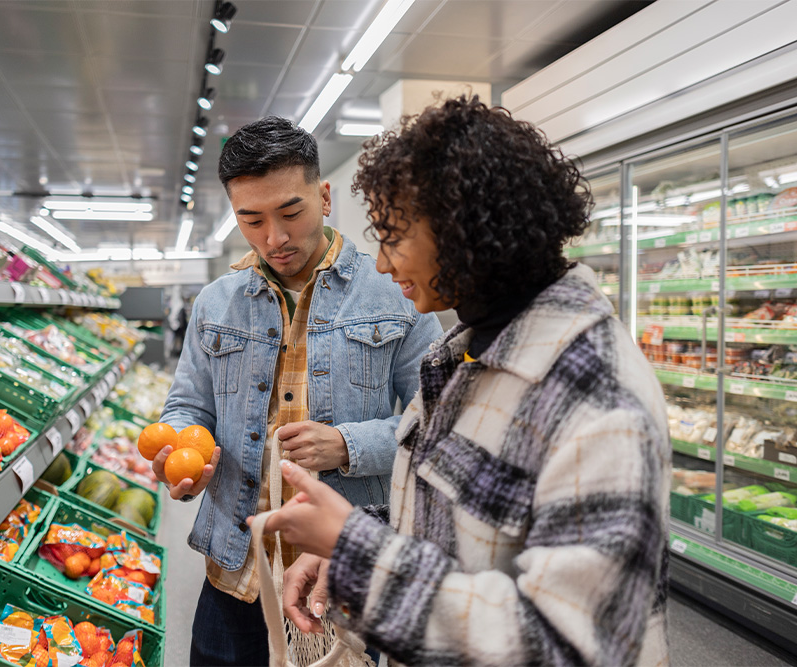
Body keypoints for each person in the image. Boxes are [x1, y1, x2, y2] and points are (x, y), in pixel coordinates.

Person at [260, 94, 671, 666]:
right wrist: (356, 554)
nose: (381, 263)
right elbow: (462, 536)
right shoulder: (464, 354)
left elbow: (570, 646)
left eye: (393, 236)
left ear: (465, 230)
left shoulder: (595, 395)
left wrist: (360, 553)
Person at [155, 115, 443, 666]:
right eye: (252, 219)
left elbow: (439, 420)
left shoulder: (395, 293)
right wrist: (184, 459)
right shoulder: (216, 303)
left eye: (291, 212)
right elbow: (189, 404)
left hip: (343, 570)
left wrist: (351, 445)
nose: (275, 237)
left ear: (325, 196)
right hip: (235, 568)